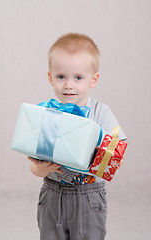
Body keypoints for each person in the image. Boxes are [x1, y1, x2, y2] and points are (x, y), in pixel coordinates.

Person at [28, 33, 127, 240]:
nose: (69, 85)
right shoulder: (47, 113)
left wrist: (91, 157)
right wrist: (39, 169)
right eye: (61, 76)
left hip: (88, 195)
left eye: (78, 77)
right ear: (50, 77)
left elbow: (117, 151)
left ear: (93, 79)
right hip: (53, 193)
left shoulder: (101, 112)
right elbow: (34, 162)